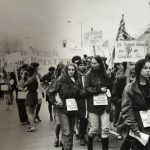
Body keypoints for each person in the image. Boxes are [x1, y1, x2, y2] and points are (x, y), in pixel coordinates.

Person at [117, 58, 150, 150]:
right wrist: (134, 127)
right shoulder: (130, 88)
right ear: (138, 70)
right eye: (145, 68)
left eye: (149, 68)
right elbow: (127, 110)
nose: (148, 70)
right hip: (137, 124)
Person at [48, 63, 79, 150]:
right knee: (66, 131)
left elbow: (79, 93)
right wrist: (56, 101)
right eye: (69, 70)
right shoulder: (60, 80)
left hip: (73, 109)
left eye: (73, 70)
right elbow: (50, 93)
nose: (71, 72)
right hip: (63, 110)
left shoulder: (77, 80)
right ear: (66, 70)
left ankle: (67, 148)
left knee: (70, 133)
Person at [85, 55, 112, 150]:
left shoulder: (105, 74)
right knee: (94, 129)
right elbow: (86, 90)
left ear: (100, 63)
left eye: (95, 63)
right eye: (92, 63)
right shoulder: (88, 75)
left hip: (105, 104)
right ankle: (90, 148)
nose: (93, 65)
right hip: (93, 105)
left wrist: (109, 78)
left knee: (105, 129)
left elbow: (111, 87)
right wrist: (99, 89)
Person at [21, 65, 38, 132]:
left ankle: (33, 127)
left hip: (30, 95)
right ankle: (32, 125)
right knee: (33, 111)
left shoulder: (32, 78)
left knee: (28, 112)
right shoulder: (34, 77)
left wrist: (22, 77)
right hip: (34, 94)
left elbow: (23, 85)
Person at [76, 59, 88, 146]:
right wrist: (83, 93)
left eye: (84, 65)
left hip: (88, 100)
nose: (82, 66)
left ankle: (83, 134)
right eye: (80, 65)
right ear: (78, 66)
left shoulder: (88, 75)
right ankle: (81, 136)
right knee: (82, 118)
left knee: (86, 119)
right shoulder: (76, 76)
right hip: (79, 100)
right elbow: (75, 88)